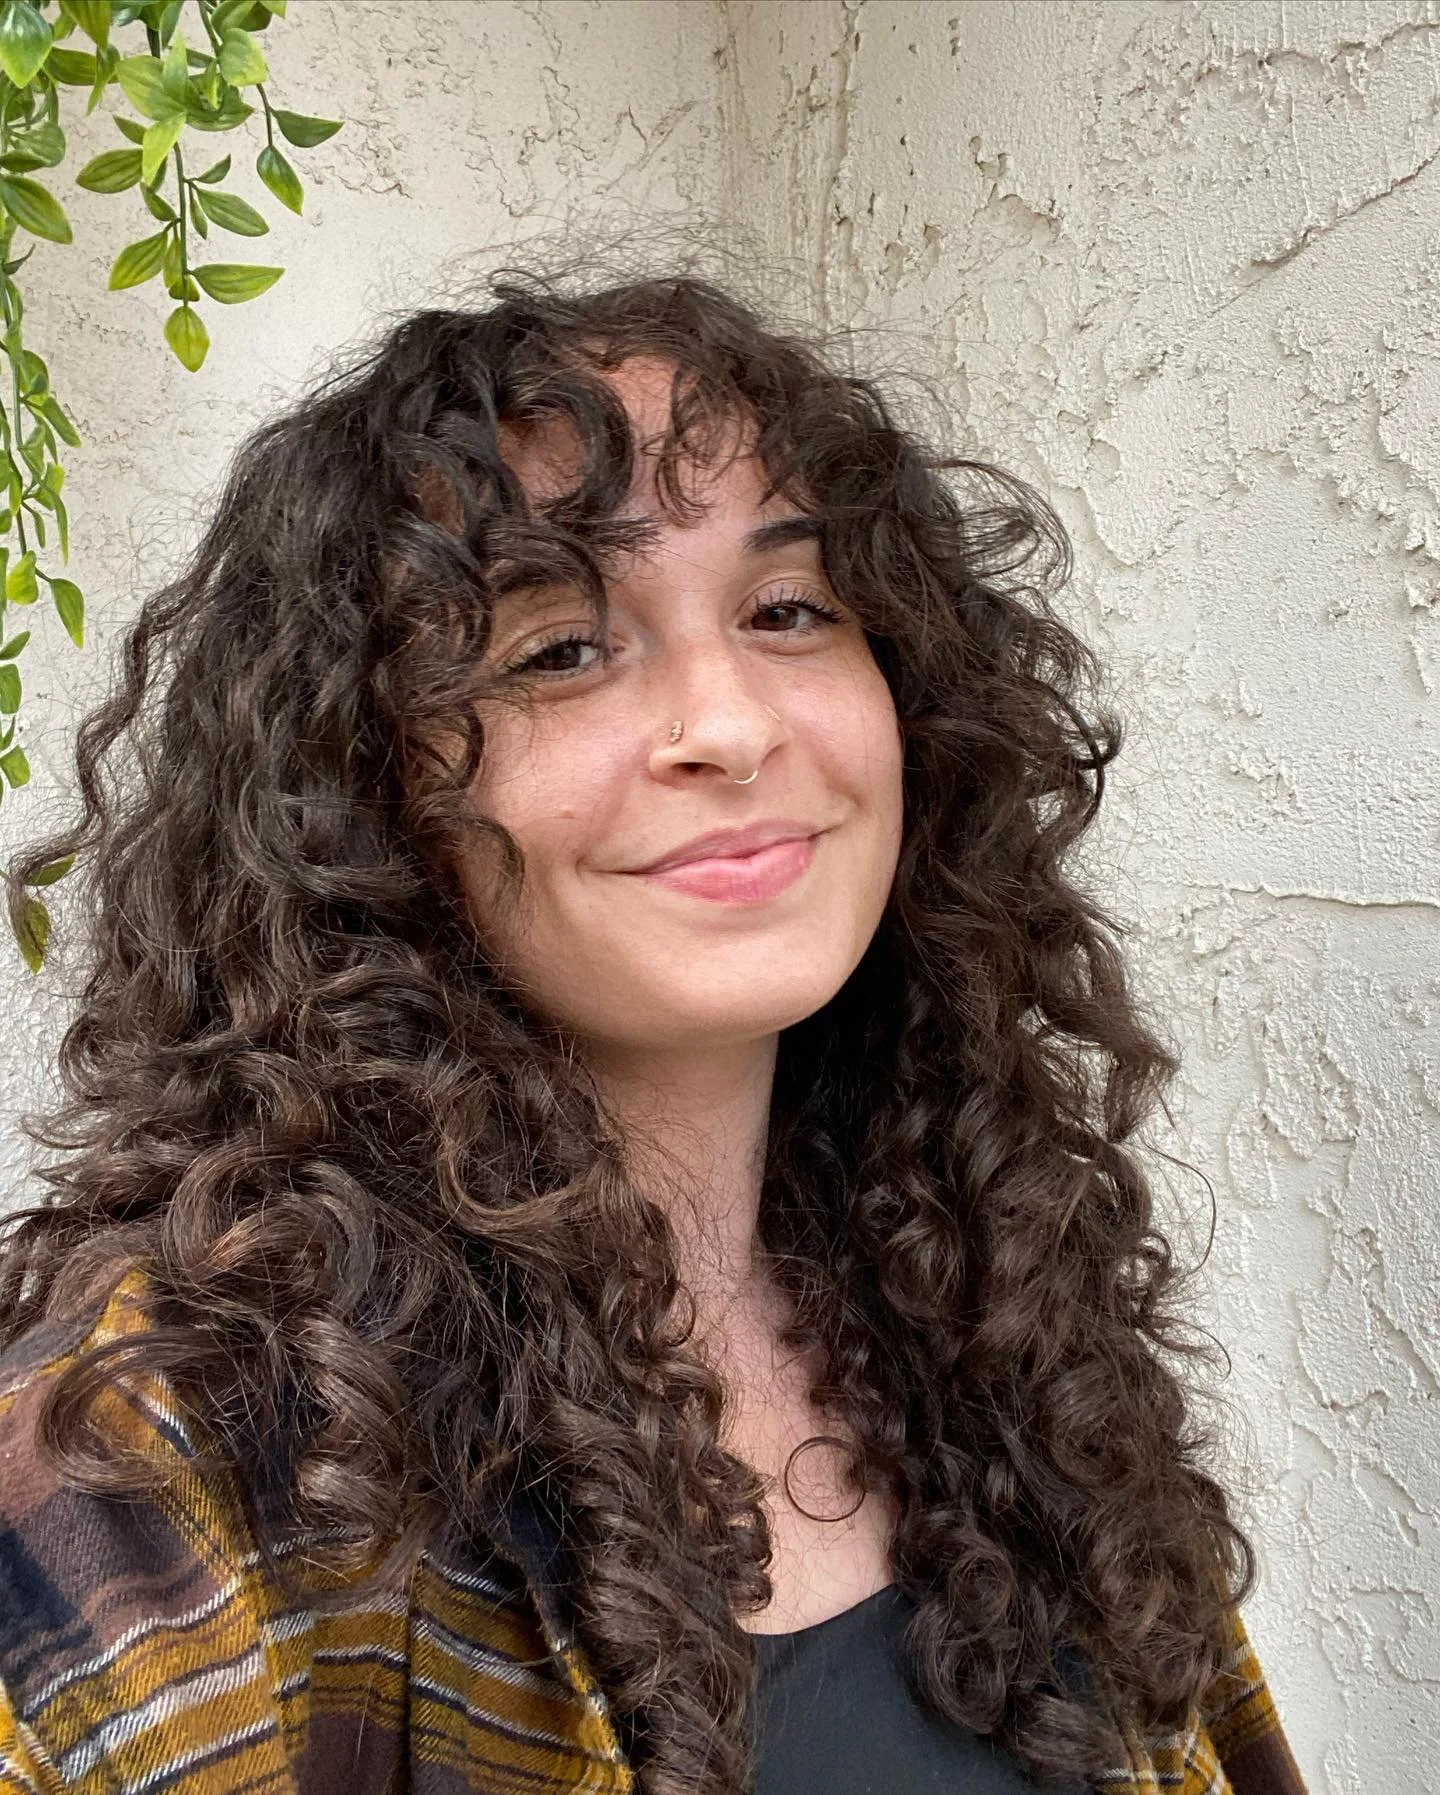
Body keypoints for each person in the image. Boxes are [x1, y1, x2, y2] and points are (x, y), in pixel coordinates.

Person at [0, 268, 1306, 1795]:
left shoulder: (1000, 1329)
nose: (732, 722)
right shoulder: (163, 1447)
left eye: (790, 609)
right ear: (362, 789)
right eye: (560, 645)